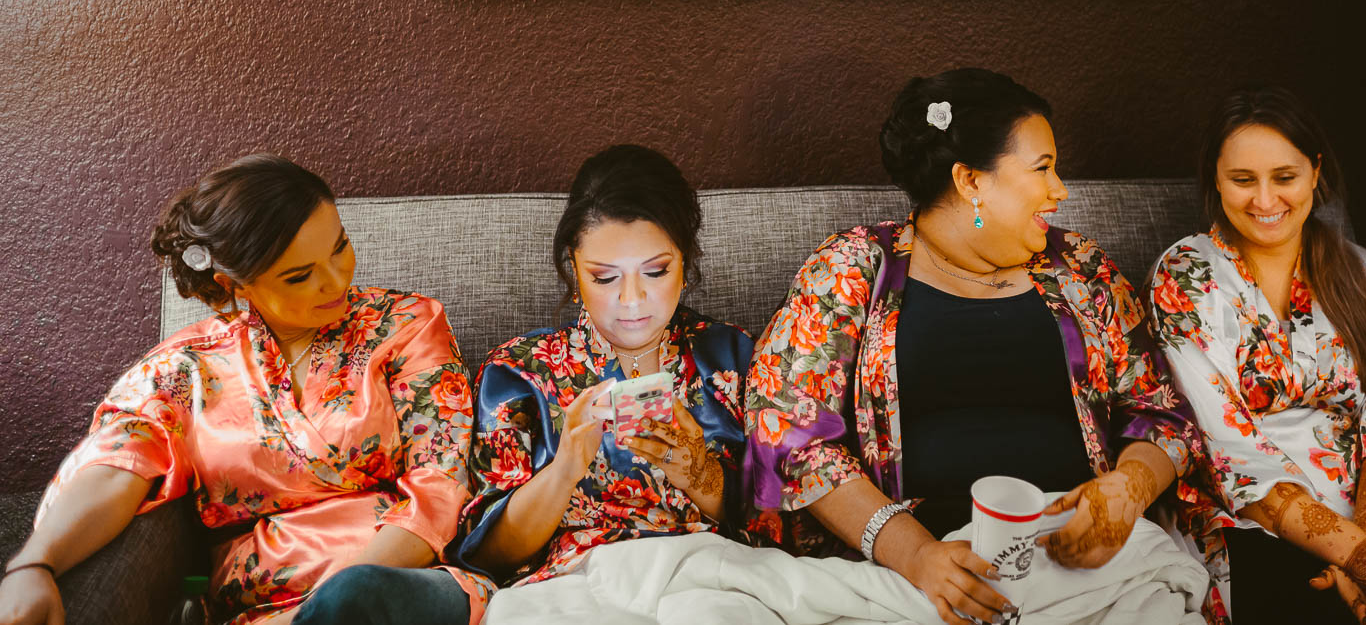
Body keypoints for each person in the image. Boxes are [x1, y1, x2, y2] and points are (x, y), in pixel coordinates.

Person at [743, 68, 1209, 625]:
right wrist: (916, 555)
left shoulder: (1081, 269)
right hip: (923, 574)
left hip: (1086, 565)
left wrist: (1128, 490)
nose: (1060, 189)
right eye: (1043, 169)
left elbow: (1161, 413)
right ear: (971, 181)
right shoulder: (853, 270)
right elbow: (787, 432)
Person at [0, 154, 491, 625]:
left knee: (352, 602)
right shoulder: (185, 369)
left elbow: (440, 482)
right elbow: (114, 466)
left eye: (340, 246)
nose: (337, 279)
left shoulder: (405, 324)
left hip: (402, 587)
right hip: (259, 608)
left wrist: (317, 611)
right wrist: (34, 566)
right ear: (235, 284)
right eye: (300, 275)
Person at [1148, 87, 1366, 625]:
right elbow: (1222, 445)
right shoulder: (1187, 278)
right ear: (1215, 179)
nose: (1265, 201)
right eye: (1243, 180)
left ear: (1314, 172)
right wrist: (1358, 558)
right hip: (1250, 523)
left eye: (1284, 177)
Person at [452, 144, 758, 586]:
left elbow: (782, 523)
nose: (631, 300)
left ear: (685, 264)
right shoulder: (518, 373)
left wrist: (700, 473)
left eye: (655, 272)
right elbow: (488, 555)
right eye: (605, 277)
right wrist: (564, 470)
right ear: (573, 271)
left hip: (713, 580)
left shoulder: (732, 358)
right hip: (578, 587)